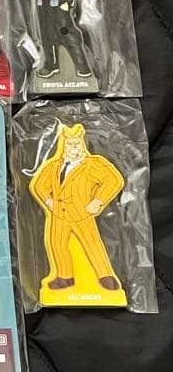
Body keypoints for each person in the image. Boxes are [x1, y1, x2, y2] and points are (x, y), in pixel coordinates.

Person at [30, 124, 123, 291]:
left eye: (77, 143)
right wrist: (49, 201)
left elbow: (113, 180)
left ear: (82, 145)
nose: (74, 146)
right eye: (70, 144)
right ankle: (65, 277)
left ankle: (105, 275)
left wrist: (98, 201)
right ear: (64, 147)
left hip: (81, 212)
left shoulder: (92, 164)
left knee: (92, 244)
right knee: (57, 245)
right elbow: (40, 185)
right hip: (58, 214)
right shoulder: (54, 166)